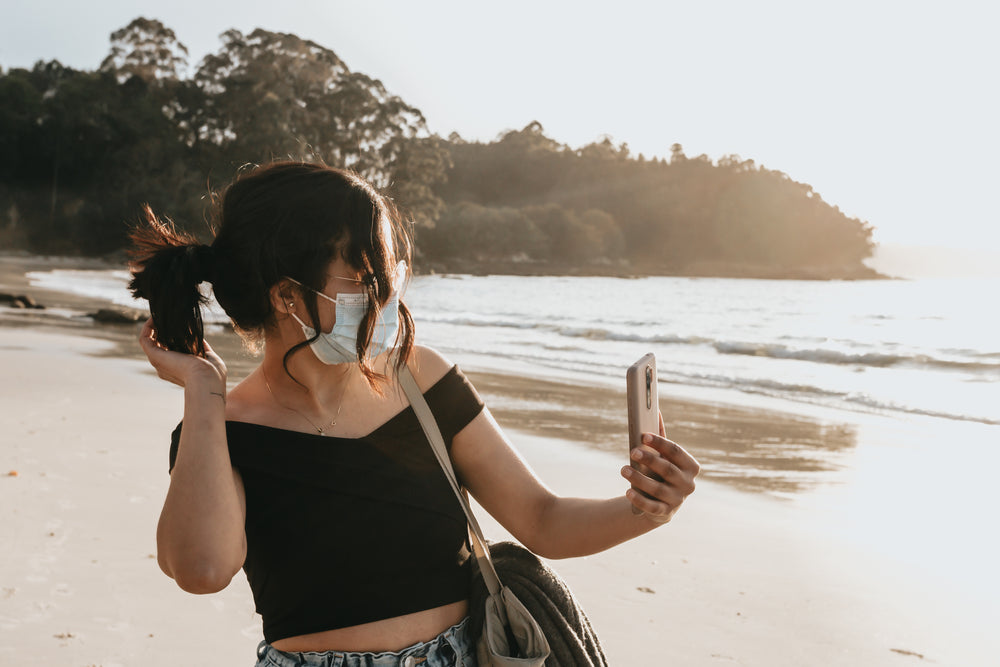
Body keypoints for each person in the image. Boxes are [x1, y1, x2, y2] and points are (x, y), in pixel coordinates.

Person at [129, 161, 700, 667]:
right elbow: (202, 570)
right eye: (366, 279)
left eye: (391, 274)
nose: (388, 299)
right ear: (285, 296)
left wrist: (643, 509)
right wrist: (203, 389)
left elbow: (543, 518)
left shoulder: (420, 377)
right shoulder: (222, 432)